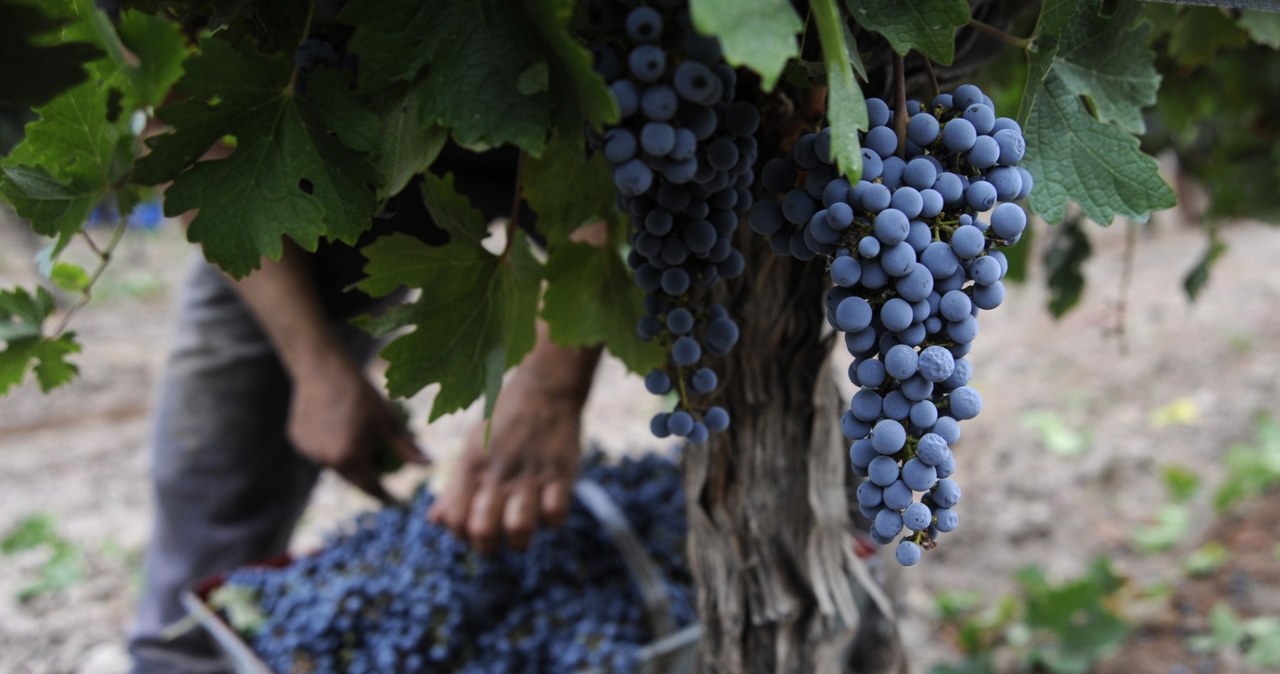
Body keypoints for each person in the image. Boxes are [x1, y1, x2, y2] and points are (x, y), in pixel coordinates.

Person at [128, 147, 601, 673]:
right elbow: (183, 140)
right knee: (210, 479)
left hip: (543, 148)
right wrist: (313, 363)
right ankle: (183, 661)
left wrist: (551, 387)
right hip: (294, 180)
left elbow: (619, 160)